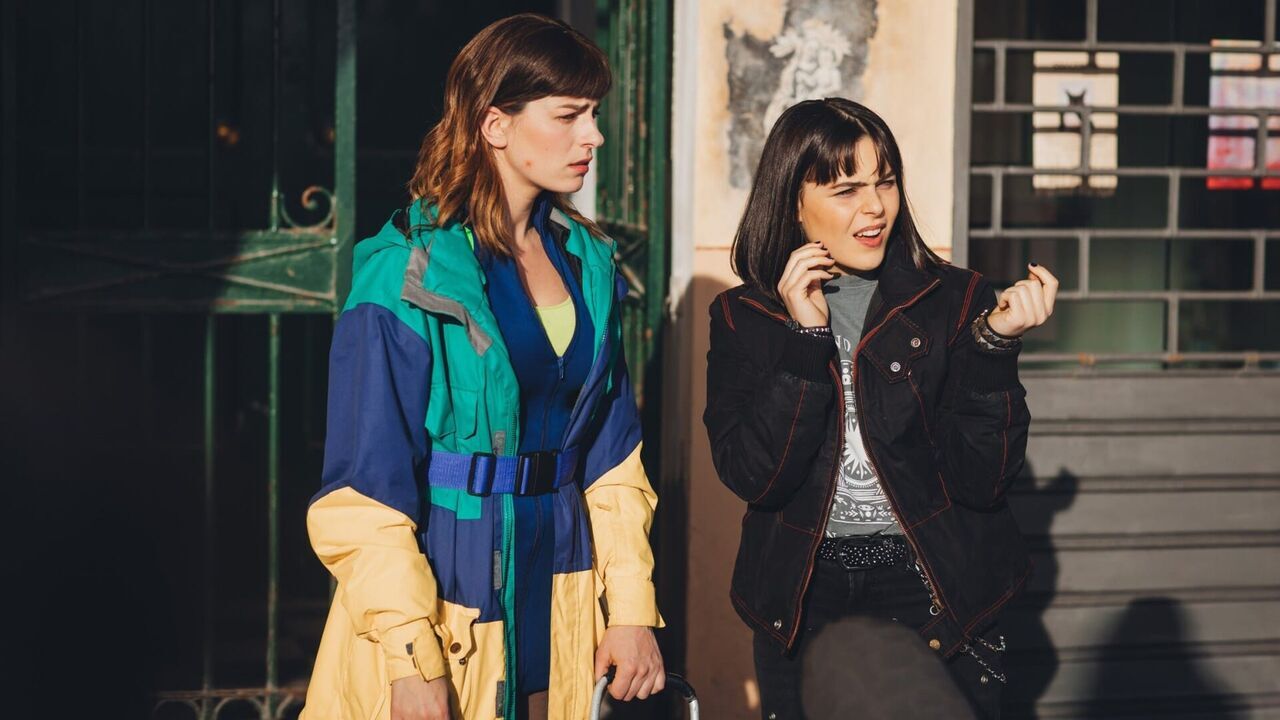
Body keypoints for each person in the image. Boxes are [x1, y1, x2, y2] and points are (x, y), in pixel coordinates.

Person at [302, 14, 664, 720]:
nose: (593, 136)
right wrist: (411, 659)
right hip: (446, 603)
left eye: (593, 115)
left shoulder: (589, 265)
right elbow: (364, 492)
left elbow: (614, 461)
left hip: (562, 601)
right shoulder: (404, 274)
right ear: (496, 124)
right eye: (569, 115)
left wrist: (631, 610)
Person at [703, 98, 1058, 719]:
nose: (874, 208)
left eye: (885, 183)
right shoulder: (745, 316)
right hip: (803, 593)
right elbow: (755, 476)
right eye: (846, 190)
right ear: (793, 201)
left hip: (933, 585)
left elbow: (982, 480)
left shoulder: (955, 299)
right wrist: (805, 341)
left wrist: (993, 349)